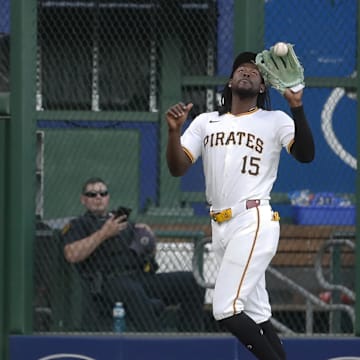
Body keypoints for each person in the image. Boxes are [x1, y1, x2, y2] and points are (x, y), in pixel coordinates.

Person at [165, 52, 314, 359]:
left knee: (226, 309)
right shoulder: (206, 122)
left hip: (253, 218)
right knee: (257, 314)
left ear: (262, 87)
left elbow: (305, 154)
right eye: (241, 70)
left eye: (254, 72)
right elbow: (178, 168)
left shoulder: (275, 120)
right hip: (220, 227)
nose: (247, 73)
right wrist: (173, 132)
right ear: (230, 81)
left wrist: (296, 107)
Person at [62, 177, 205, 332]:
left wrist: (149, 239)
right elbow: (72, 254)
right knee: (132, 291)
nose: (98, 197)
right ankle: (156, 341)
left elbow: (147, 253)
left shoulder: (123, 222)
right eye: (92, 194)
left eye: (103, 193)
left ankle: (191, 338)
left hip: (140, 277)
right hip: (109, 282)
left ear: (108, 197)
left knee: (192, 281)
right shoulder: (79, 224)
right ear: (83, 200)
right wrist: (104, 233)